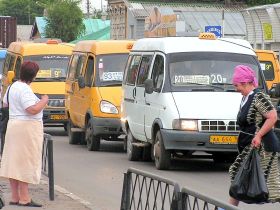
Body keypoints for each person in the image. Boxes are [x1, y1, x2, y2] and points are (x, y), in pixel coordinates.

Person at [228, 65, 280, 206]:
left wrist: (258, 136)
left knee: (272, 186)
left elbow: (272, 116)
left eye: (236, 85)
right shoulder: (246, 97)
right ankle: (228, 208)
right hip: (250, 145)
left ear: (245, 83)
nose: (235, 88)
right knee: (239, 177)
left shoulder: (259, 97)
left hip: (262, 149)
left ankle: (228, 208)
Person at [0, 61, 48, 207]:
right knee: (25, 162)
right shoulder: (25, 89)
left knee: (14, 162)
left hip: (13, 126)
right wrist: (44, 100)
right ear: (33, 75)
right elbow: (31, 109)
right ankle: (25, 198)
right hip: (27, 128)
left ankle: (15, 196)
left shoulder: (13, 86)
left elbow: (5, 104)